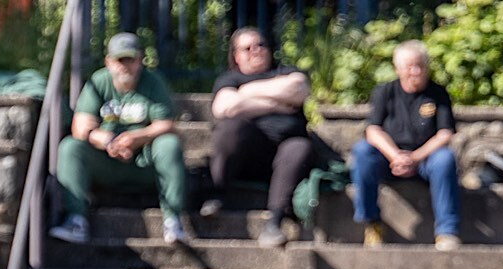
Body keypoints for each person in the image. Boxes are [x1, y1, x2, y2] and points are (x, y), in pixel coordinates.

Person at [50, 33, 189, 247]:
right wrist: (107, 142)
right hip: (106, 162)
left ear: (140, 60)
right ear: (108, 61)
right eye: (119, 60)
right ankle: (76, 219)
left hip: (145, 162)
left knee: (169, 143)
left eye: (130, 59)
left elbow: (167, 124)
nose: (125, 66)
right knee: (70, 147)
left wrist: (136, 138)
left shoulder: (153, 82)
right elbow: (80, 126)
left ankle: (173, 219)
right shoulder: (99, 81)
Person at [204, 27, 316, 248]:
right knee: (231, 127)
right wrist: (278, 103)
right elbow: (225, 108)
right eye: (247, 48)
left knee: (299, 147)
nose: (255, 50)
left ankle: (274, 222)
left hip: (286, 151)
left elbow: (299, 88)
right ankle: (217, 193)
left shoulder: (285, 71)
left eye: (260, 45)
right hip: (247, 155)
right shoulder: (229, 78)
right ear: (236, 56)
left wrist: (244, 94)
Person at [352, 41, 461, 250]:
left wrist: (415, 157)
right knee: (362, 151)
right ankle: (372, 223)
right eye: (410, 66)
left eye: (421, 65)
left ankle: (447, 233)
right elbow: (373, 131)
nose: (416, 71)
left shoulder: (438, 93)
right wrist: (396, 156)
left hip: (425, 160)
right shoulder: (384, 92)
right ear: (398, 68)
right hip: (389, 160)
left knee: (445, 159)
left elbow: (445, 134)